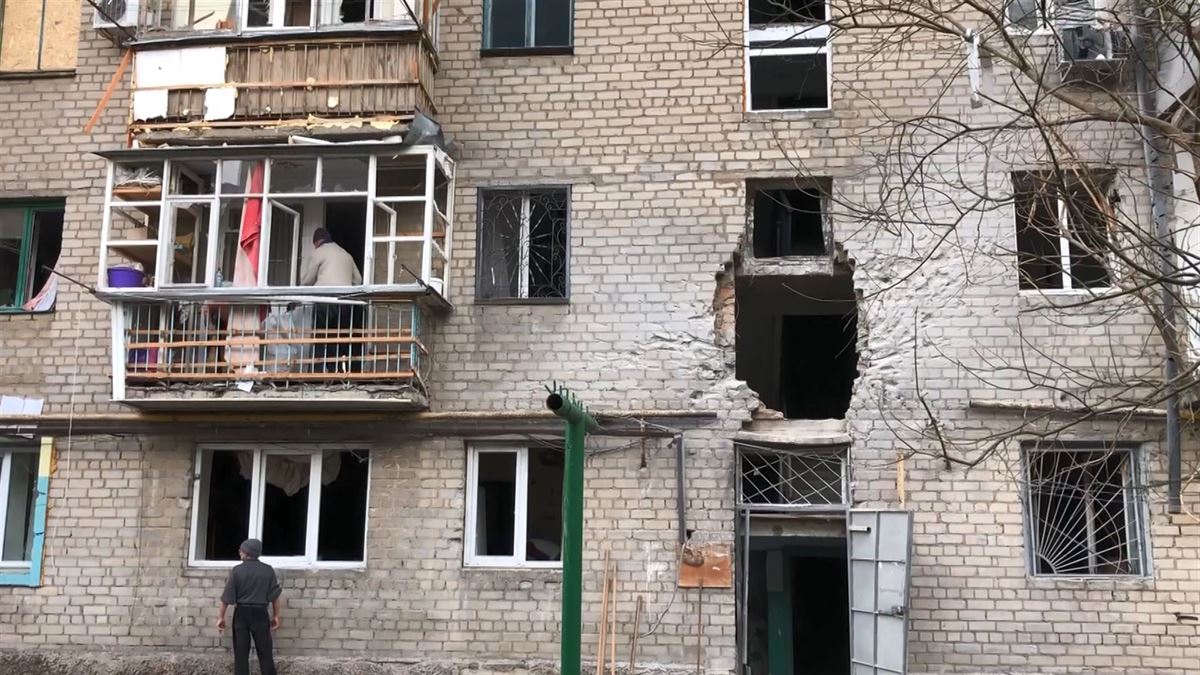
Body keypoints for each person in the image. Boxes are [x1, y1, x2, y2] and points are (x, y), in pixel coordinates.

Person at [300, 229, 364, 372]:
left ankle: (317, 372)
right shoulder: (346, 254)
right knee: (338, 337)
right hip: (345, 302)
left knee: (321, 336)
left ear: (317, 242)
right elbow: (358, 280)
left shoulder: (319, 252)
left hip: (325, 300)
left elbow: (306, 281)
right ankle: (337, 370)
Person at [217, 539, 282, 675]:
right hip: (261, 614)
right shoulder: (268, 570)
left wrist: (221, 617)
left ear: (247, 553)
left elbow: (226, 598)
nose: (239, 552)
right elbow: (275, 597)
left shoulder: (237, 571)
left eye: (241, 550)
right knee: (265, 654)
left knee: (241, 655)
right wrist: (276, 616)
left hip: (242, 614)